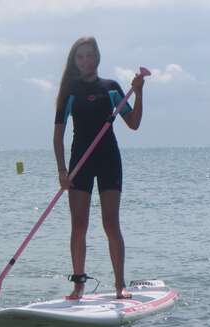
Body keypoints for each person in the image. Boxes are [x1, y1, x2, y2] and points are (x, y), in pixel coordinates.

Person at [53, 36, 145, 300]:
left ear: (97, 57)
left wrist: (138, 93)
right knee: (79, 225)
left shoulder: (112, 88)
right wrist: (61, 171)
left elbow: (134, 123)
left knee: (110, 223)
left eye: (89, 55)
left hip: (108, 159)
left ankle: (120, 285)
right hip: (79, 161)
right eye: (80, 57)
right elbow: (58, 135)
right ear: (75, 61)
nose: (85, 61)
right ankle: (79, 285)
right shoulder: (69, 92)